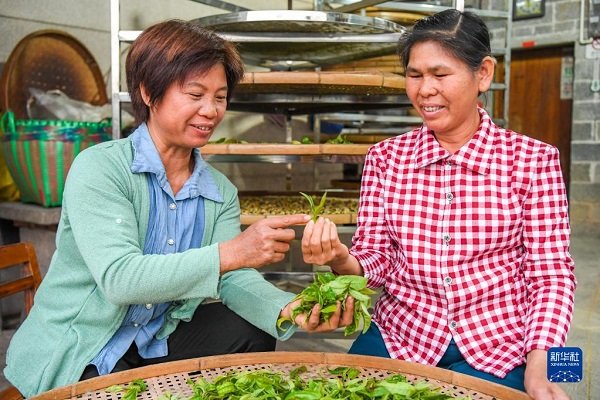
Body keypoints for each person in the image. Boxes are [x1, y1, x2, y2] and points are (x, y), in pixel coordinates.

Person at [4, 20, 354, 397]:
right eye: (195, 94)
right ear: (149, 92)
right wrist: (233, 251)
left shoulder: (218, 190)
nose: (211, 111)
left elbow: (232, 278)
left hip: (154, 339)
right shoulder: (101, 168)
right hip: (85, 347)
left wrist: (290, 309)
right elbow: (121, 278)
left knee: (249, 329)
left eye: (220, 97)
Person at [301, 9, 575, 400]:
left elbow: (551, 275)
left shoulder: (533, 160)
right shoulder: (386, 158)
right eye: (414, 75)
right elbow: (378, 257)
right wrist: (343, 261)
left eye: (440, 74)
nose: (424, 89)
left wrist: (542, 358)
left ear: (483, 74)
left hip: (499, 345)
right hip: (403, 335)